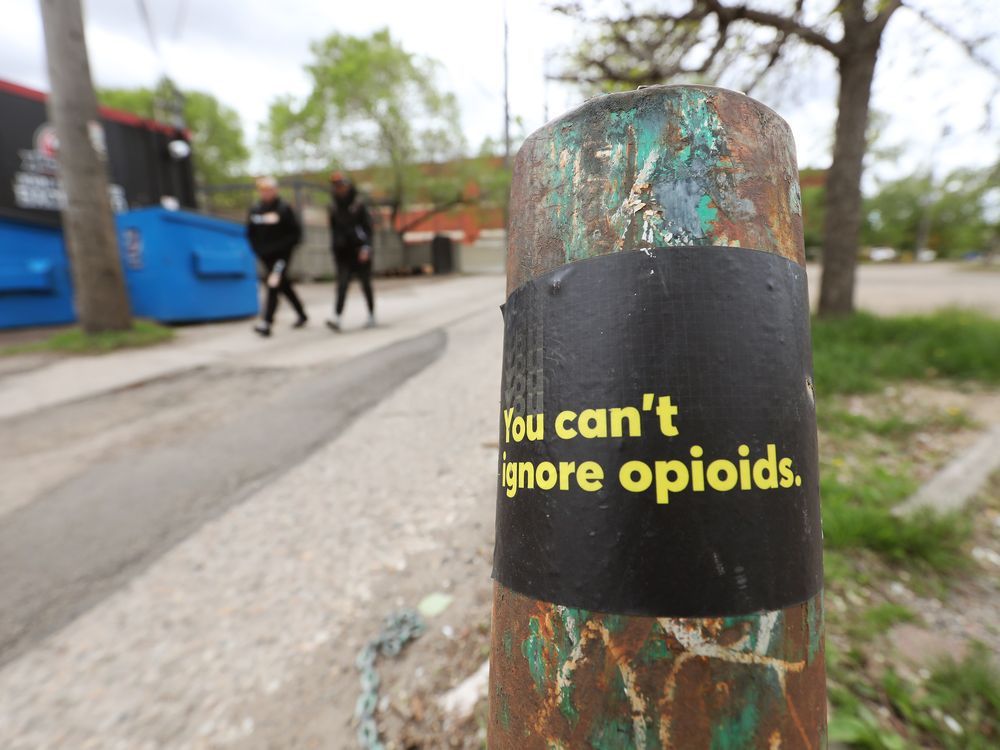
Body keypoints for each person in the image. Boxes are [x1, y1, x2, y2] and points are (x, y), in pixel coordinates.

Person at [246, 176, 307, 337]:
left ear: (275, 190)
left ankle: (267, 322)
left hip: (281, 256)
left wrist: (283, 249)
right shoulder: (256, 209)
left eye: (268, 190)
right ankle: (302, 314)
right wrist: (257, 250)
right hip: (265, 256)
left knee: (273, 284)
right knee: (284, 286)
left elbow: (295, 234)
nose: (265, 193)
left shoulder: (284, 208)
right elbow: (250, 233)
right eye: (262, 190)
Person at [326, 171, 375, 330]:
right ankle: (337, 317)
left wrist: (366, 247)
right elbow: (333, 230)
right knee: (342, 285)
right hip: (342, 252)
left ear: (347, 186)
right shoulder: (333, 207)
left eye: (341, 185)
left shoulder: (359, 204)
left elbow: (367, 228)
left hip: (359, 250)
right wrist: (334, 248)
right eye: (336, 186)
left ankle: (371, 314)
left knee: (365, 283)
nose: (339, 189)